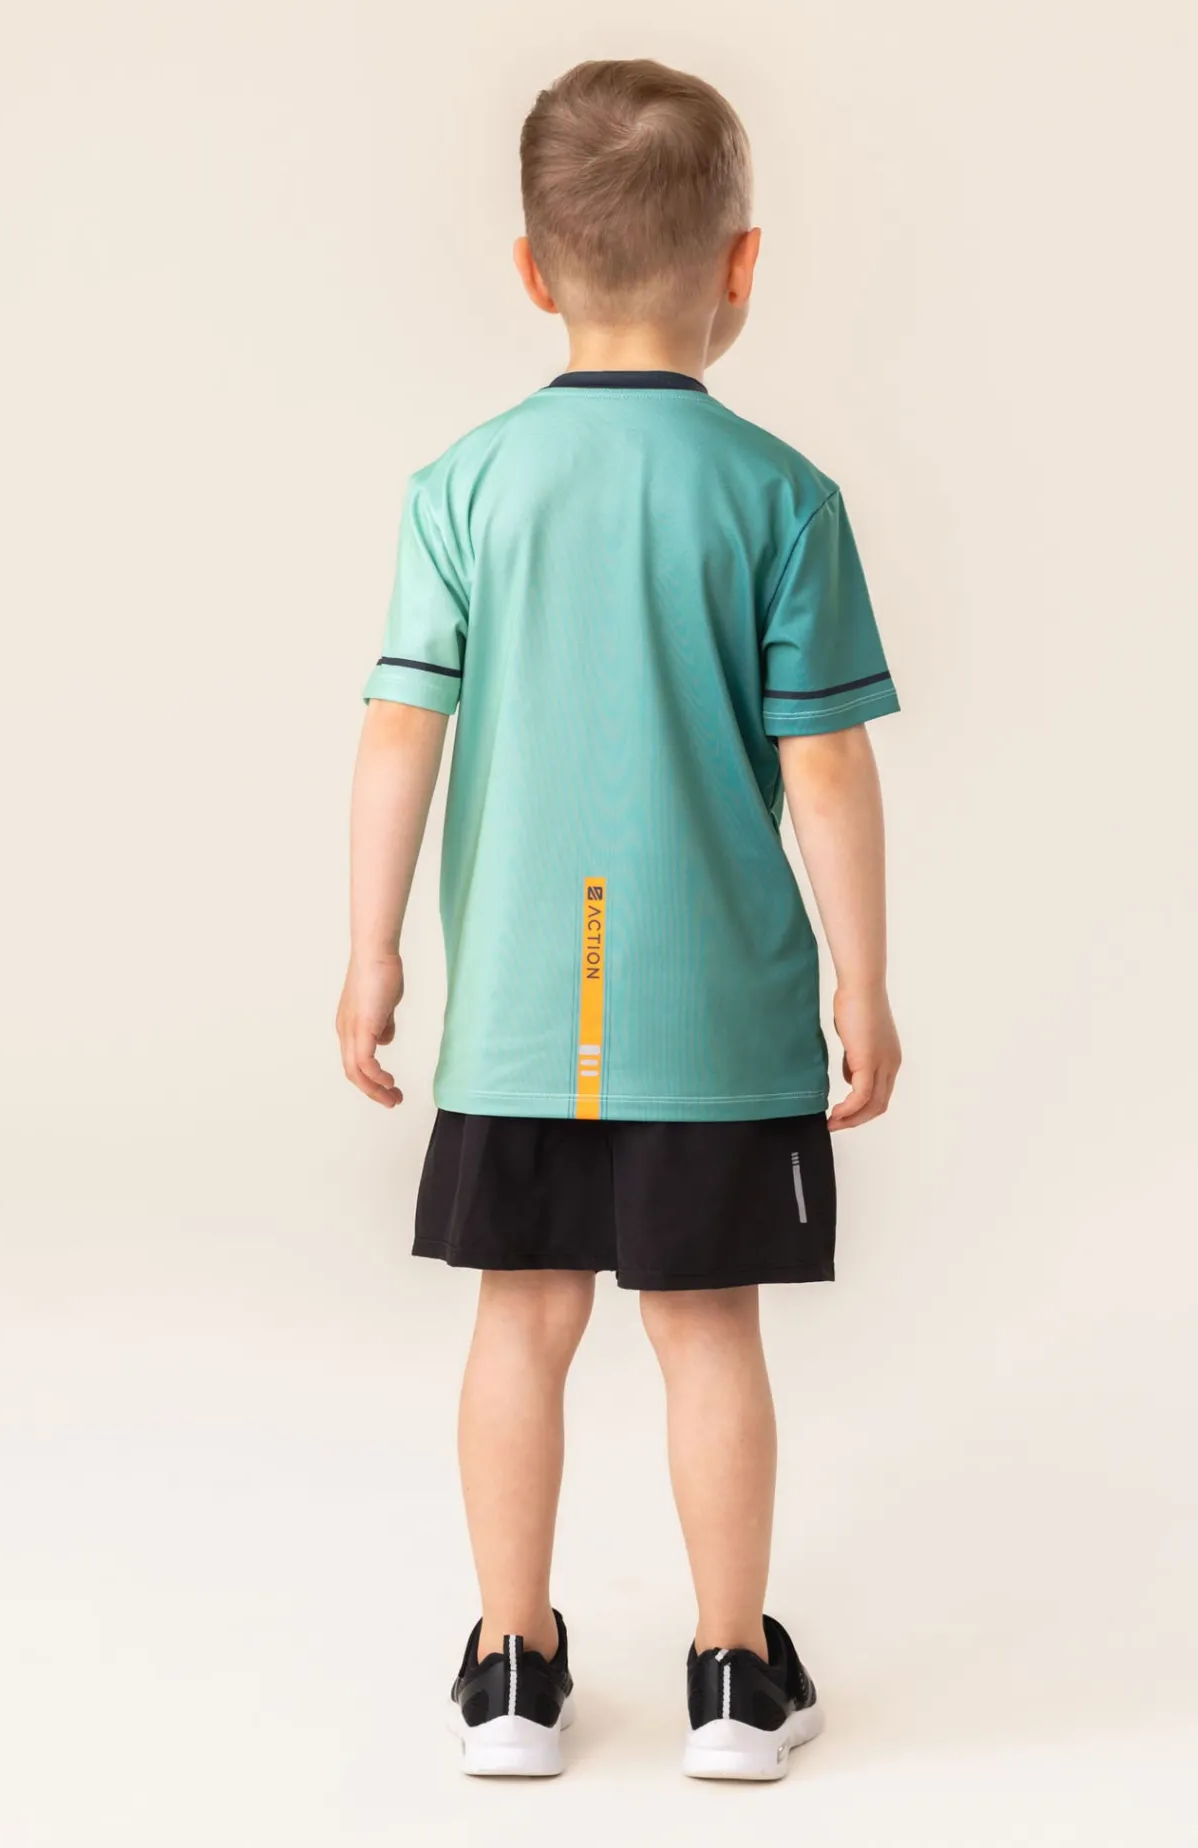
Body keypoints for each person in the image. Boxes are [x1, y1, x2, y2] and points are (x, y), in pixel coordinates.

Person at [336, 57, 901, 1781]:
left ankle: (512, 1668)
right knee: (705, 1326)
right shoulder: (781, 498)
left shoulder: (462, 487)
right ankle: (732, 1678)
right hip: (711, 1019)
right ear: (742, 265)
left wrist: (372, 949)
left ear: (532, 269)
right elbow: (826, 768)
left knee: (521, 1321)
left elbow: (400, 731)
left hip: (523, 1007)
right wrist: (864, 983)